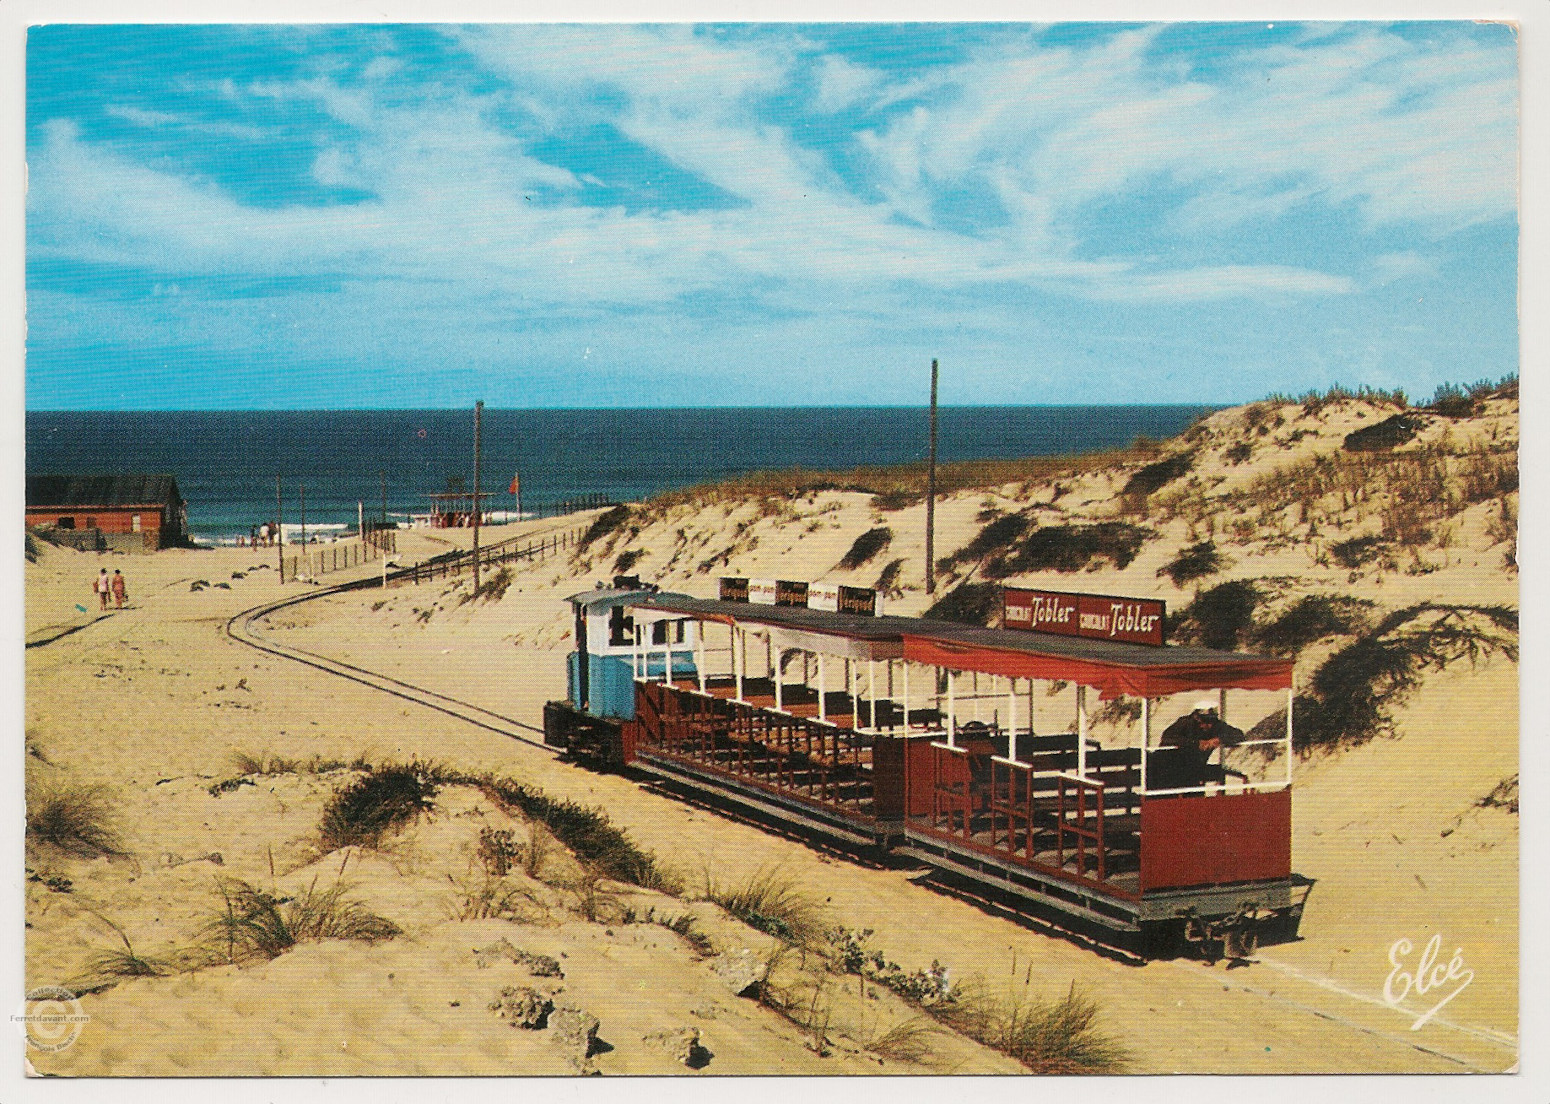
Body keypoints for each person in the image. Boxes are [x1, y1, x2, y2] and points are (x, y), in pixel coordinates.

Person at [1158, 699, 1244, 789]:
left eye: (1211, 721)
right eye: (1206, 721)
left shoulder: (1215, 726)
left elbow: (1239, 735)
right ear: (1196, 717)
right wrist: (1196, 743)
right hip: (1168, 769)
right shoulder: (1185, 723)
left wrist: (1219, 739)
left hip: (1194, 770)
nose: (1209, 725)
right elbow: (1167, 737)